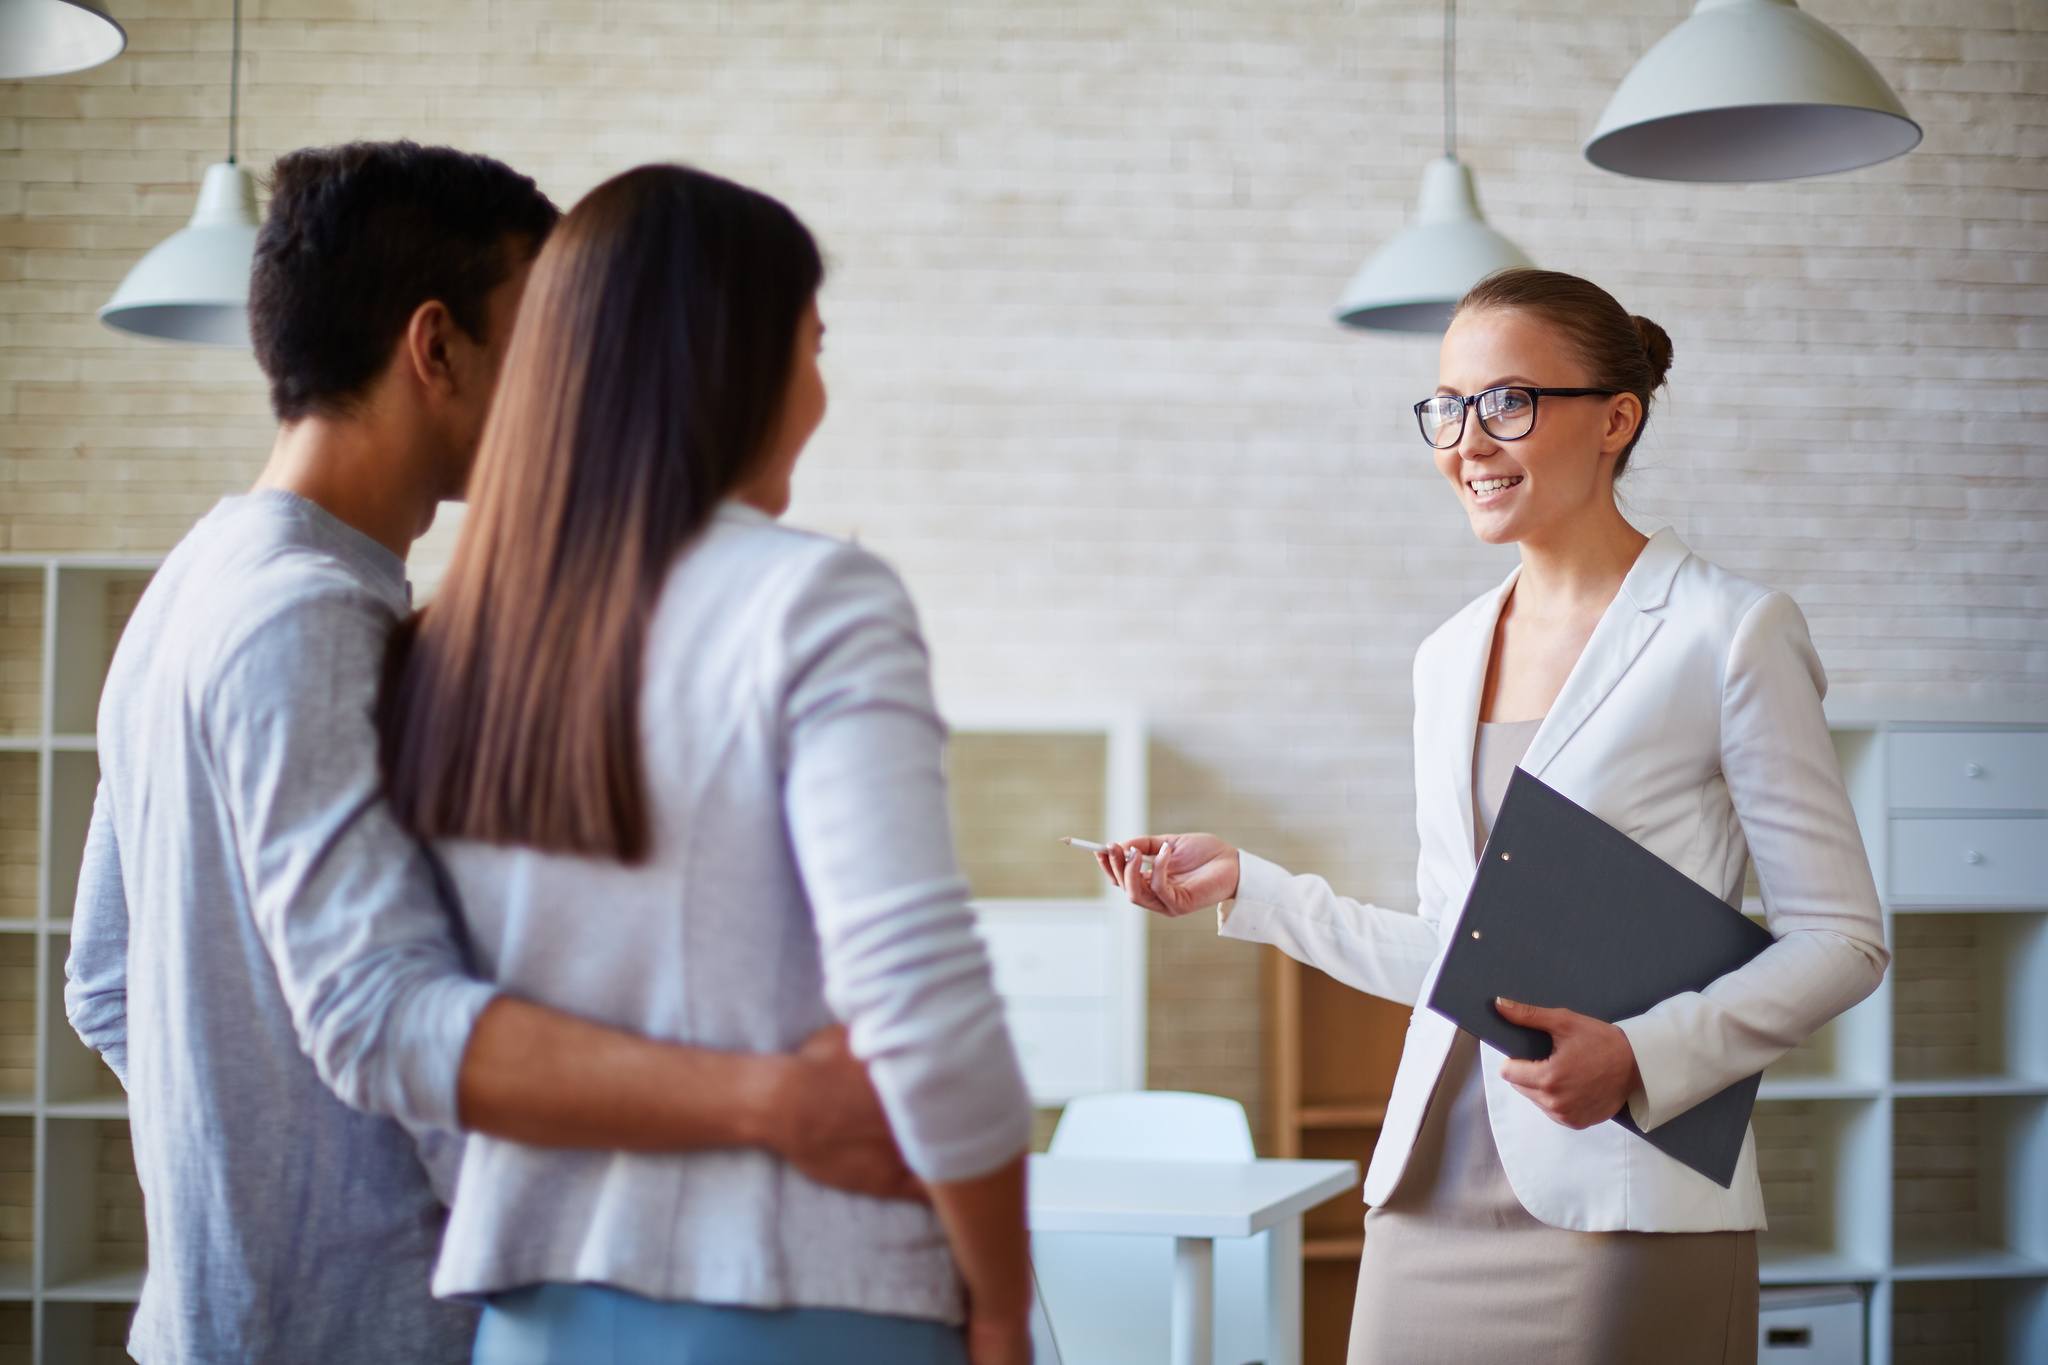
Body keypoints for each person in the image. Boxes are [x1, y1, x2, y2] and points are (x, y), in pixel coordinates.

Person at [64, 141, 919, 1365]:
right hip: (364, 1338)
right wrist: (771, 1105)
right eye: (547, 340)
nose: (576, 386)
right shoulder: (311, 619)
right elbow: (375, 1012)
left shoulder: (195, 581)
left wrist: (249, 1178)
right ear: (437, 349)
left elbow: (106, 982)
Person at [1098, 268, 1889, 1365]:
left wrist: (1641, 1054)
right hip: (1428, 1189)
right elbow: (1452, 950)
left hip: (1620, 1193)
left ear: (1616, 418)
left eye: (1507, 401)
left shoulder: (1727, 633)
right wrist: (1247, 885)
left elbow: (1842, 941)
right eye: (1446, 407)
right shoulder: (1446, 655)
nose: (1466, 440)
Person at [376, 162, 1034, 1365]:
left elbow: (411, 1028)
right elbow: (918, 998)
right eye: (813, 343)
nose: (821, 391)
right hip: (805, 1297)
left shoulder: (441, 643)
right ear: (731, 357)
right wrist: (998, 1299)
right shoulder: (812, 599)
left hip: (529, 1315)